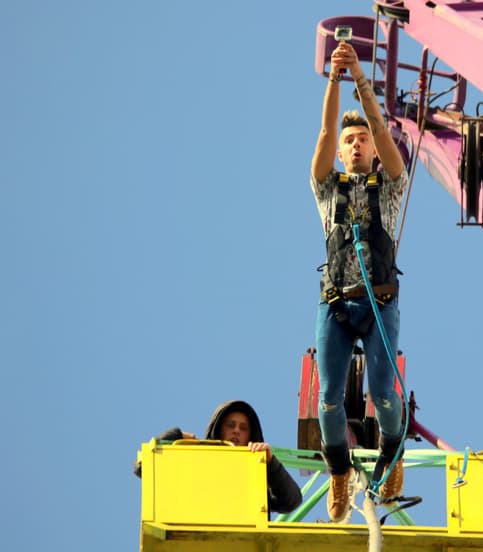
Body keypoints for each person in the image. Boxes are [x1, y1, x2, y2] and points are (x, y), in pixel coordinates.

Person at [310, 39, 408, 522]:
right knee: (329, 399)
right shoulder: (328, 188)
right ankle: (339, 471)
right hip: (336, 304)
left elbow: (388, 143)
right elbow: (327, 131)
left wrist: (362, 83)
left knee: (383, 393)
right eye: (351, 141)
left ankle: (394, 454)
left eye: (361, 138)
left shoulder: (390, 188)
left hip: (379, 302)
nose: (355, 143)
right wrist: (334, 77)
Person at [135, 400, 303, 515]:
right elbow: (143, 468)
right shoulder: (196, 465)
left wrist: (270, 463)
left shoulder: (254, 480)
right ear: (219, 429)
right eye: (230, 425)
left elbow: (292, 501)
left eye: (243, 428)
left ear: (250, 436)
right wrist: (176, 435)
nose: (236, 430)